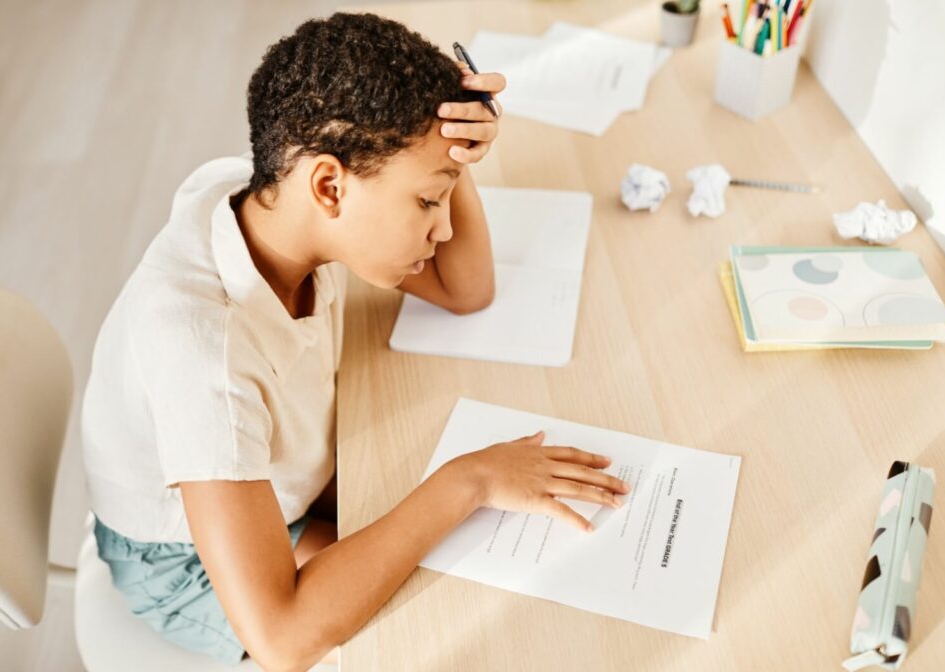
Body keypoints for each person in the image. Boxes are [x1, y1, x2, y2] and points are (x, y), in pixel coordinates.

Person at [81, 12, 629, 671]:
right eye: (428, 204)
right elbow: (282, 637)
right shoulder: (205, 353)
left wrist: (448, 160)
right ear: (330, 186)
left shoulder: (280, 202)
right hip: (182, 559)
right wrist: (471, 479)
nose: (444, 230)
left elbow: (466, 290)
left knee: (455, 553)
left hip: (285, 474)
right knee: (437, 611)